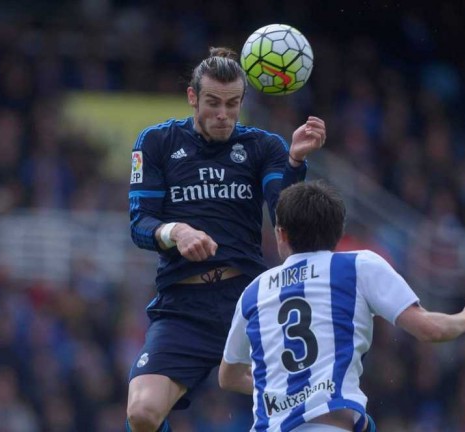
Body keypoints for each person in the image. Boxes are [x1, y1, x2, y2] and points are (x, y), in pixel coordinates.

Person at [126, 46, 327, 432]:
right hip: (184, 307)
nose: (223, 115)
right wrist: (177, 232)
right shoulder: (156, 143)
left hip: (248, 302)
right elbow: (140, 224)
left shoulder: (264, 147)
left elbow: (284, 217)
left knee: (313, 404)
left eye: (233, 104)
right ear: (192, 97)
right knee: (142, 414)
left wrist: (295, 164)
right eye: (213, 103)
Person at [219, 181, 465, 432]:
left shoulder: (254, 291)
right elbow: (430, 330)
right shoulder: (357, 265)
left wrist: (284, 393)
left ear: (281, 234)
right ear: (338, 232)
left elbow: (228, 377)